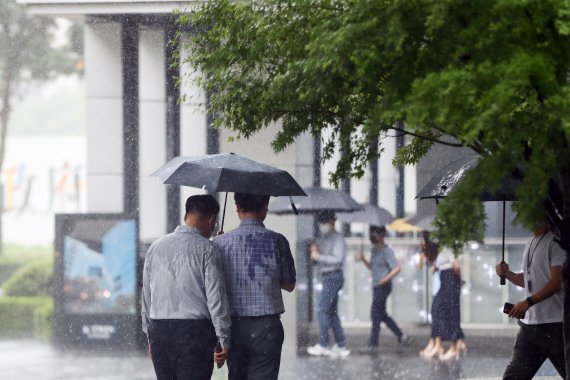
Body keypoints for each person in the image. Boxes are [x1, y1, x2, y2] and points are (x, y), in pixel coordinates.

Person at [141, 194, 231, 380]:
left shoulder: (155, 248)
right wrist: (223, 339)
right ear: (212, 219)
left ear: (185, 216)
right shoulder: (208, 250)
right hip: (194, 333)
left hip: (160, 331)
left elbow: (147, 296)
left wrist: (150, 336)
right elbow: (216, 299)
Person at [214, 193, 296, 380]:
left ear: (236, 207)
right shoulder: (278, 241)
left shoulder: (220, 243)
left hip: (233, 326)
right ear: (265, 206)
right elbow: (289, 284)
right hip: (267, 327)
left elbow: (214, 286)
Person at [496, 221, 566, 379]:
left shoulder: (555, 242)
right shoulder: (530, 242)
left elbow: (557, 282)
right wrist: (508, 274)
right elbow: (531, 280)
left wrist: (528, 302)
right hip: (530, 328)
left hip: (556, 326)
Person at [307, 211, 350, 358]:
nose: (323, 225)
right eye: (321, 222)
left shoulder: (338, 238)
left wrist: (319, 256)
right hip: (327, 276)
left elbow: (337, 258)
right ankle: (340, 344)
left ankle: (324, 344)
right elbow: (317, 260)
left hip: (333, 276)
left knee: (322, 310)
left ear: (332, 221)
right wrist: (315, 252)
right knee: (331, 312)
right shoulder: (323, 238)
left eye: (325, 221)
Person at [419, 231, 467, 361]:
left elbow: (455, 265)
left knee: (451, 312)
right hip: (446, 279)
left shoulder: (447, 245)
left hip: (449, 278)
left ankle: (454, 346)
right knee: (443, 310)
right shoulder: (441, 247)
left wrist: (458, 279)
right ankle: (451, 344)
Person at [358, 225, 408, 347]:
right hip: (376, 286)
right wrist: (364, 260)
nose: (371, 236)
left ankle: (373, 342)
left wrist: (384, 280)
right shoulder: (374, 250)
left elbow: (396, 269)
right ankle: (401, 335)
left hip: (383, 286)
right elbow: (373, 268)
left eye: (373, 233)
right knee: (381, 314)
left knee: (375, 313)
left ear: (381, 235)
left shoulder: (387, 251)